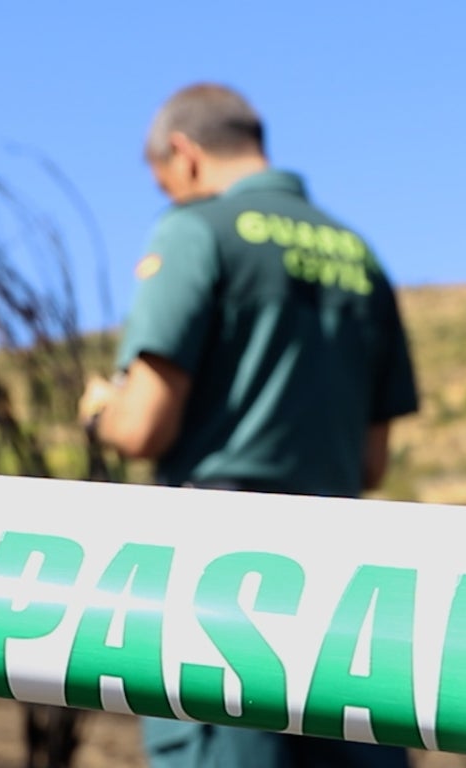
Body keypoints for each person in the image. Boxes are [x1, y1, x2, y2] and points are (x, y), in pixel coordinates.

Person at [78, 83, 419, 767]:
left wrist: (99, 412)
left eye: (164, 181)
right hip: (348, 593)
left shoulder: (196, 230)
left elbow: (143, 426)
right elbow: (372, 462)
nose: (169, 196)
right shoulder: (360, 253)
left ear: (186, 154)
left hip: (222, 585)